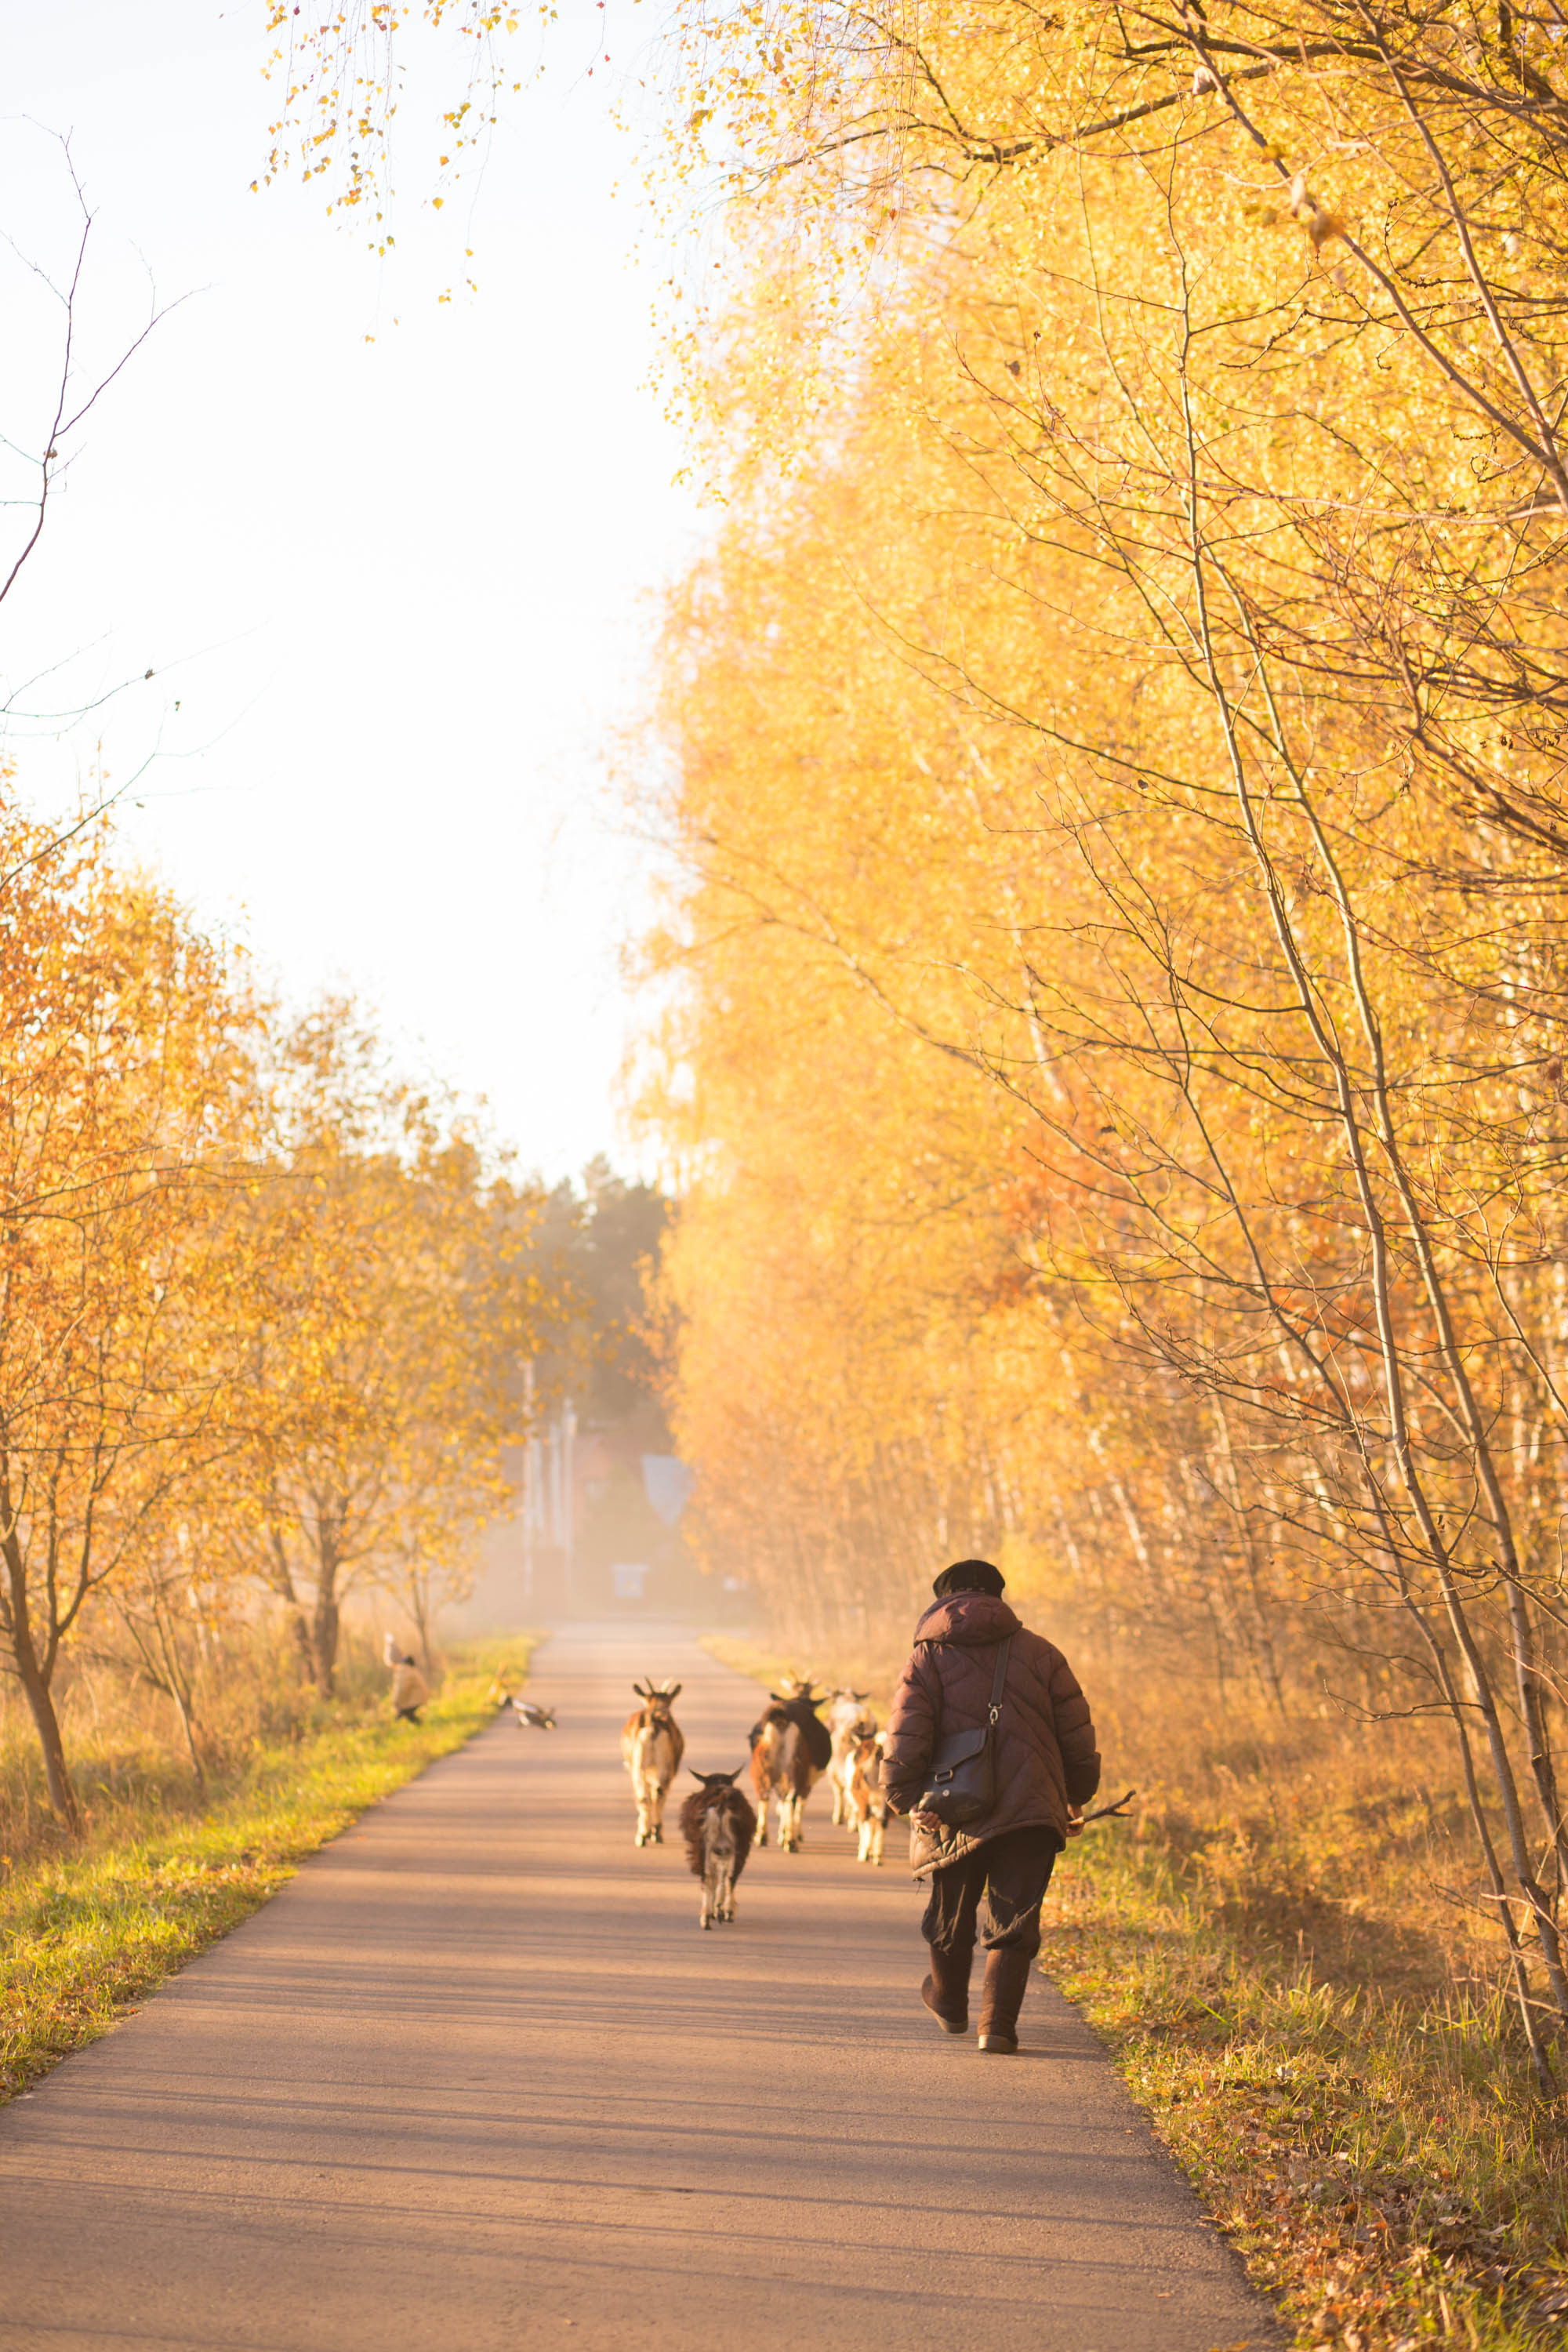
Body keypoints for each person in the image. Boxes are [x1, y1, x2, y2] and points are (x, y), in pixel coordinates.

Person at [880, 1558, 1100, 2054]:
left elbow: (906, 1731)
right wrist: (1075, 1793)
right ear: (999, 1598)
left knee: (950, 1911)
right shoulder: (1043, 1653)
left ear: (942, 1600)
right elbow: (1076, 1731)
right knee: (1014, 1918)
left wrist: (905, 1796)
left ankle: (949, 2002)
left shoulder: (926, 1658)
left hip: (954, 1806)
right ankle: (996, 2026)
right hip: (1031, 1804)